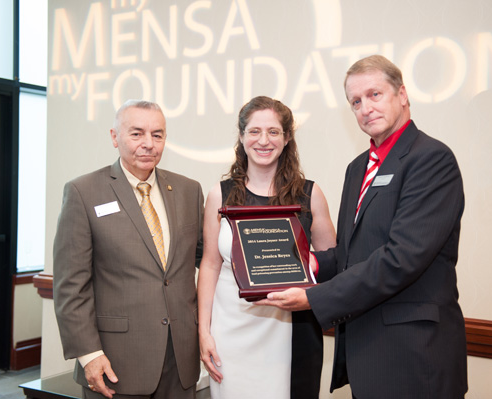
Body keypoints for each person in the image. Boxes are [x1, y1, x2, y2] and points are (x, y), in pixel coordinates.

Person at [257, 55, 468, 398]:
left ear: (402, 95)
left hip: (415, 357)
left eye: (374, 94)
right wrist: (310, 263)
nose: (365, 107)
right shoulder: (358, 168)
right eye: (356, 101)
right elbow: (353, 252)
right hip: (367, 352)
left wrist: (315, 297)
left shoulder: (430, 159)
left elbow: (402, 258)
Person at [53, 100, 204, 399]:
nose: (148, 144)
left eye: (157, 135)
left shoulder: (189, 190)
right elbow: (71, 285)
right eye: (137, 134)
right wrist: (89, 355)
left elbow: (205, 260)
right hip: (115, 363)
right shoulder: (84, 192)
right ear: (114, 137)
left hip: (180, 363)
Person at [197, 96, 336, 399]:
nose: (264, 140)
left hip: (294, 329)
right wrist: (203, 332)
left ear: (287, 138)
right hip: (230, 334)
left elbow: (332, 260)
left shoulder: (309, 194)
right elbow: (209, 264)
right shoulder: (219, 195)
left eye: (273, 131)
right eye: (254, 131)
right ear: (242, 136)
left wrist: (305, 264)